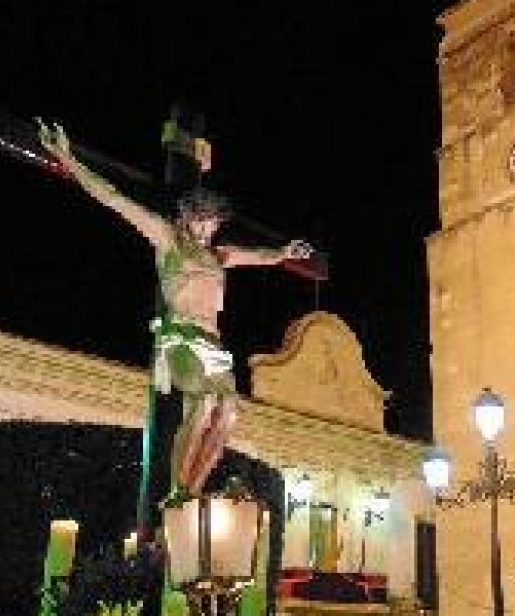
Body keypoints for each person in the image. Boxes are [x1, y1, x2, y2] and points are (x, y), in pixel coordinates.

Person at [37, 120, 311, 494]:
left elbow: (260, 255)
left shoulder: (218, 255)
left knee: (228, 411)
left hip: (212, 343)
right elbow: (114, 198)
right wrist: (68, 159)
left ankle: (195, 487)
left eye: (212, 225)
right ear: (187, 217)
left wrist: (283, 253)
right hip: (179, 334)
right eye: (201, 222)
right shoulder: (168, 240)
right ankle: (180, 490)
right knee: (203, 402)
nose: (206, 231)